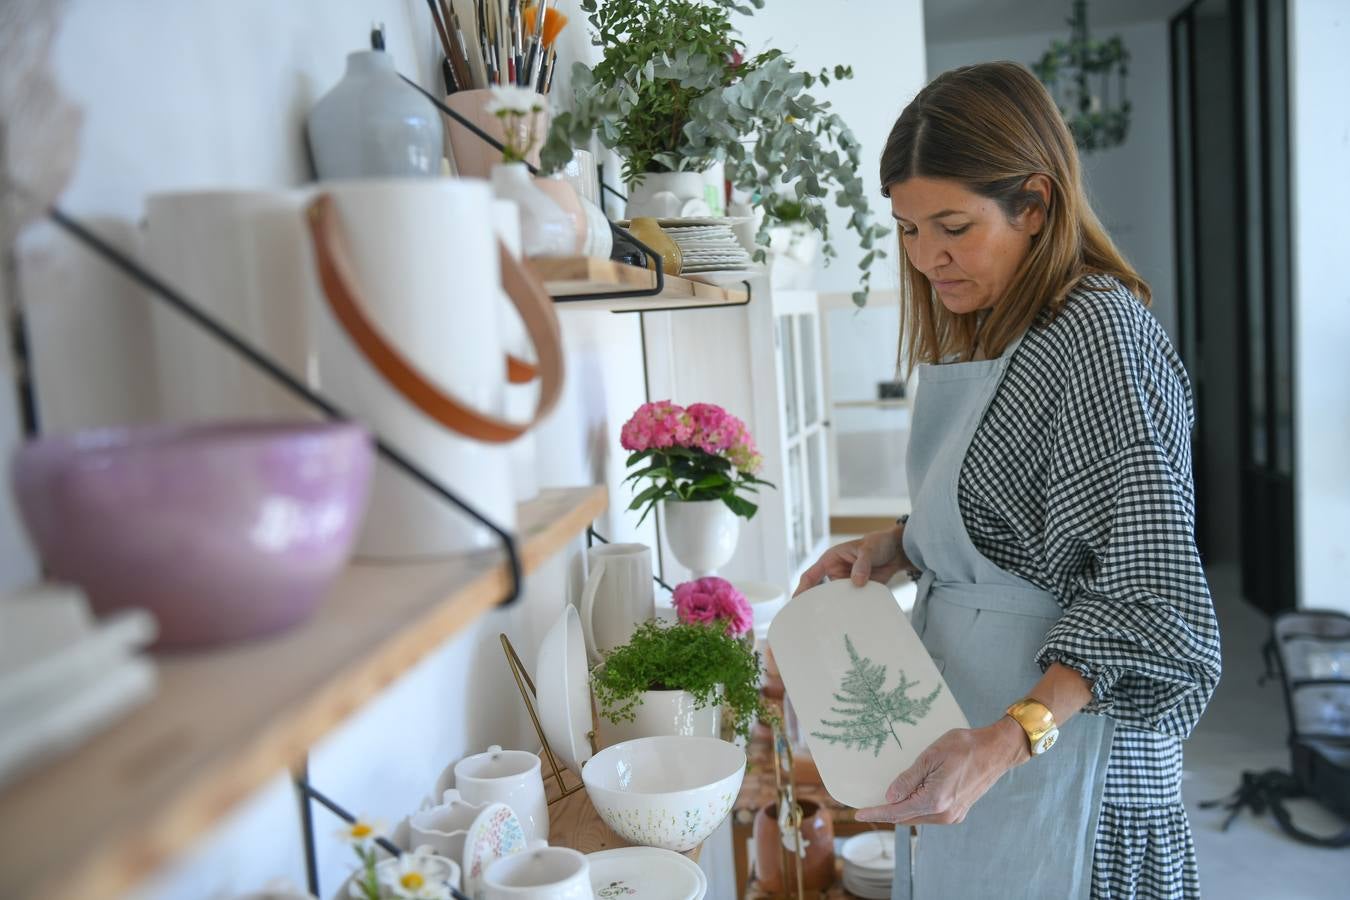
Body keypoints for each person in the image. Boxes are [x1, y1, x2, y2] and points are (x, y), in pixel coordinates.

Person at [794, 61, 1222, 900]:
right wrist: (901, 546)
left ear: (1034, 203)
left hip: (1062, 754)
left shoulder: (1099, 333)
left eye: (952, 225)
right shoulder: (991, 328)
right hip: (971, 730)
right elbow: (1021, 518)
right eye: (909, 230)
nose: (927, 259)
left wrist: (1007, 738)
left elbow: (1156, 596)